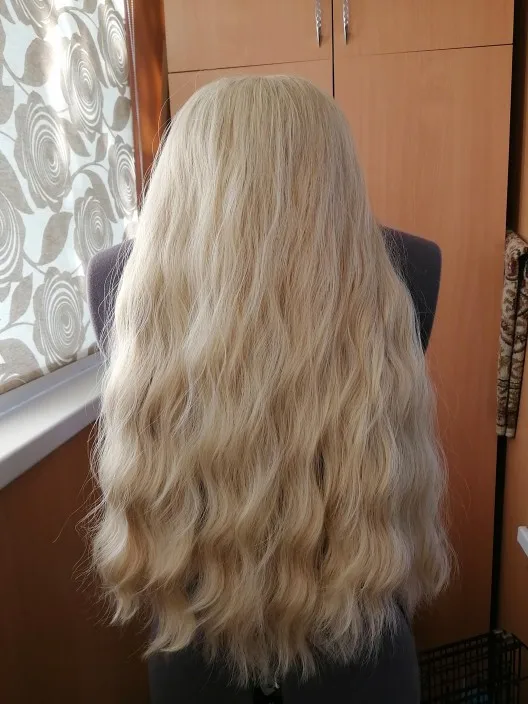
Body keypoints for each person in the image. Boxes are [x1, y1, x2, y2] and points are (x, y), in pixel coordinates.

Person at [90, 76, 450, 703]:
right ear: (334, 173)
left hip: (345, 638)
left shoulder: (411, 269)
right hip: (217, 647)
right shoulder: (120, 284)